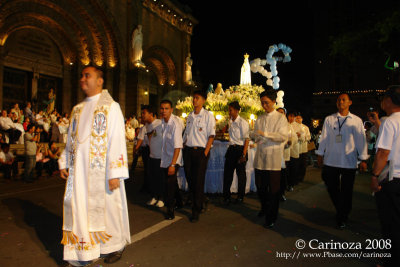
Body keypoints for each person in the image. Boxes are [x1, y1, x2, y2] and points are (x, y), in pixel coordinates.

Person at [58, 66, 130, 266]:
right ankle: (81, 252)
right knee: (79, 208)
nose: (82, 79)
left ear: (99, 81)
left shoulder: (110, 106)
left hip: (103, 170)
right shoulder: (77, 109)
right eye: (81, 76)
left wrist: (115, 171)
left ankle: (114, 246)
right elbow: (71, 141)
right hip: (79, 172)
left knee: (108, 210)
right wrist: (64, 161)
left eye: (87, 75)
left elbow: (117, 139)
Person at [316, 93, 368, 229]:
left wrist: (363, 159)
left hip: (348, 161)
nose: (340, 102)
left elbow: (360, 140)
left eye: (343, 100)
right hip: (331, 160)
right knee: (331, 185)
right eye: (338, 100)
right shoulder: (329, 119)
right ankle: (341, 208)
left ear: (350, 102)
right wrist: (320, 154)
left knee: (347, 190)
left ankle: (342, 215)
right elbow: (324, 138)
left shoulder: (356, 120)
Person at [371, 85, 400, 267]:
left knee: (391, 222)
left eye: (383, 98)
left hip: (393, 179)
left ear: (389, 101)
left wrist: (374, 176)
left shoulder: (390, 122)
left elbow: (382, 153)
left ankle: (392, 260)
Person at [251, 89, 288, 228]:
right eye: (262, 103)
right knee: (260, 187)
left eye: (266, 103)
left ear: (273, 101)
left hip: (273, 158)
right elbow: (256, 135)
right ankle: (264, 207)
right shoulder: (260, 118)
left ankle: (272, 216)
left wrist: (265, 134)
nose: (264, 106)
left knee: (273, 190)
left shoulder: (280, 118)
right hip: (260, 157)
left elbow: (282, 136)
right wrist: (256, 136)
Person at [183, 90, 216, 222]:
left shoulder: (208, 115)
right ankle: (201, 199)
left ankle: (196, 209)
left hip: (201, 152)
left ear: (203, 100)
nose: (194, 100)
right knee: (190, 179)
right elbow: (186, 135)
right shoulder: (190, 116)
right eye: (193, 98)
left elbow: (211, 135)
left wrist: (205, 153)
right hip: (189, 151)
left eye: (197, 98)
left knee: (198, 181)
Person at [159, 99, 184, 220]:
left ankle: (170, 209)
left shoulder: (175, 124)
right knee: (172, 182)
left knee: (168, 185)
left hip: (174, 159)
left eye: (166, 108)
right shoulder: (162, 122)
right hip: (165, 157)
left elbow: (178, 146)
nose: (164, 111)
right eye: (162, 108)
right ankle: (179, 201)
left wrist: (173, 165)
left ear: (171, 110)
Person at [222, 101, 249, 204]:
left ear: (237, 111)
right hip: (231, 149)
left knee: (241, 175)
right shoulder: (230, 122)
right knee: (227, 174)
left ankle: (240, 196)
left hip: (240, 149)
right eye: (229, 110)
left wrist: (243, 154)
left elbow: (247, 139)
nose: (229, 112)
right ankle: (226, 196)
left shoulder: (243, 123)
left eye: (231, 110)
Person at [142, 105, 165, 208]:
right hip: (152, 155)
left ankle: (162, 198)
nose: (142, 115)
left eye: (144, 113)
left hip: (160, 156)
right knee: (152, 178)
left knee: (160, 178)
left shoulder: (160, 124)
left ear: (151, 114)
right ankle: (154, 197)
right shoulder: (147, 126)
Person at [286, 111, 302, 191]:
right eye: (290, 116)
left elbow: (303, 137)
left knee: (293, 168)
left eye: (293, 116)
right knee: (287, 168)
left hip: (294, 150)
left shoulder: (299, 126)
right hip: (286, 150)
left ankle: (291, 184)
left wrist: (299, 136)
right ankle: (286, 183)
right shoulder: (285, 124)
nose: (291, 118)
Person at [296, 114, 311, 182]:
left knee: (303, 163)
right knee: (297, 163)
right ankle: (296, 177)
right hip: (296, 148)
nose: (298, 119)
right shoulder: (293, 127)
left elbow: (309, 137)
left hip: (304, 148)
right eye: (297, 118)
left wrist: (303, 137)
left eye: (300, 118)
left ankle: (301, 177)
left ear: (302, 119)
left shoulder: (305, 127)